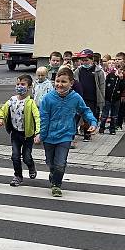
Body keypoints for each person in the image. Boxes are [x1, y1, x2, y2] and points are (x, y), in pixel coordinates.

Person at [37, 66, 97, 197]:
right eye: (57, 81)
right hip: (48, 137)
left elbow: (85, 110)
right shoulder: (48, 98)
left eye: (64, 82)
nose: (60, 84)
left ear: (71, 83)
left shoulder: (75, 98)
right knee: (50, 163)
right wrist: (40, 135)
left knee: (60, 163)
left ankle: (56, 185)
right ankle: (53, 174)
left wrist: (92, 122)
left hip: (65, 135)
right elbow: (43, 118)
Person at [0, 75, 40, 186]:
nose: (20, 86)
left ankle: (31, 166)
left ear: (29, 87)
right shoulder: (12, 100)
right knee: (15, 156)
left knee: (26, 157)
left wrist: (38, 132)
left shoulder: (31, 102)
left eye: (23, 84)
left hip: (27, 135)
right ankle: (18, 176)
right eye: (18, 84)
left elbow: (37, 117)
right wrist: (0, 118)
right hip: (15, 133)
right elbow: (3, 110)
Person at [73, 49, 105, 141]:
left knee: (88, 116)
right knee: (76, 115)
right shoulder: (78, 70)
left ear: (92, 60)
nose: (84, 62)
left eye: (86, 60)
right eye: (82, 60)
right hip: (80, 97)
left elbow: (102, 86)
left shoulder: (98, 71)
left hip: (92, 97)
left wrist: (101, 98)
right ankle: (72, 132)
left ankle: (87, 133)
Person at [98, 57, 125, 135]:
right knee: (104, 115)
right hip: (107, 98)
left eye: (122, 70)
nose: (120, 71)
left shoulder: (123, 78)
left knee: (114, 115)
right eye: (119, 69)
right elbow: (105, 85)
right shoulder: (111, 75)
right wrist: (104, 95)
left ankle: (112, 129)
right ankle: (102, 128)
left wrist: (121, 79)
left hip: (116, 99)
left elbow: (123, 88)